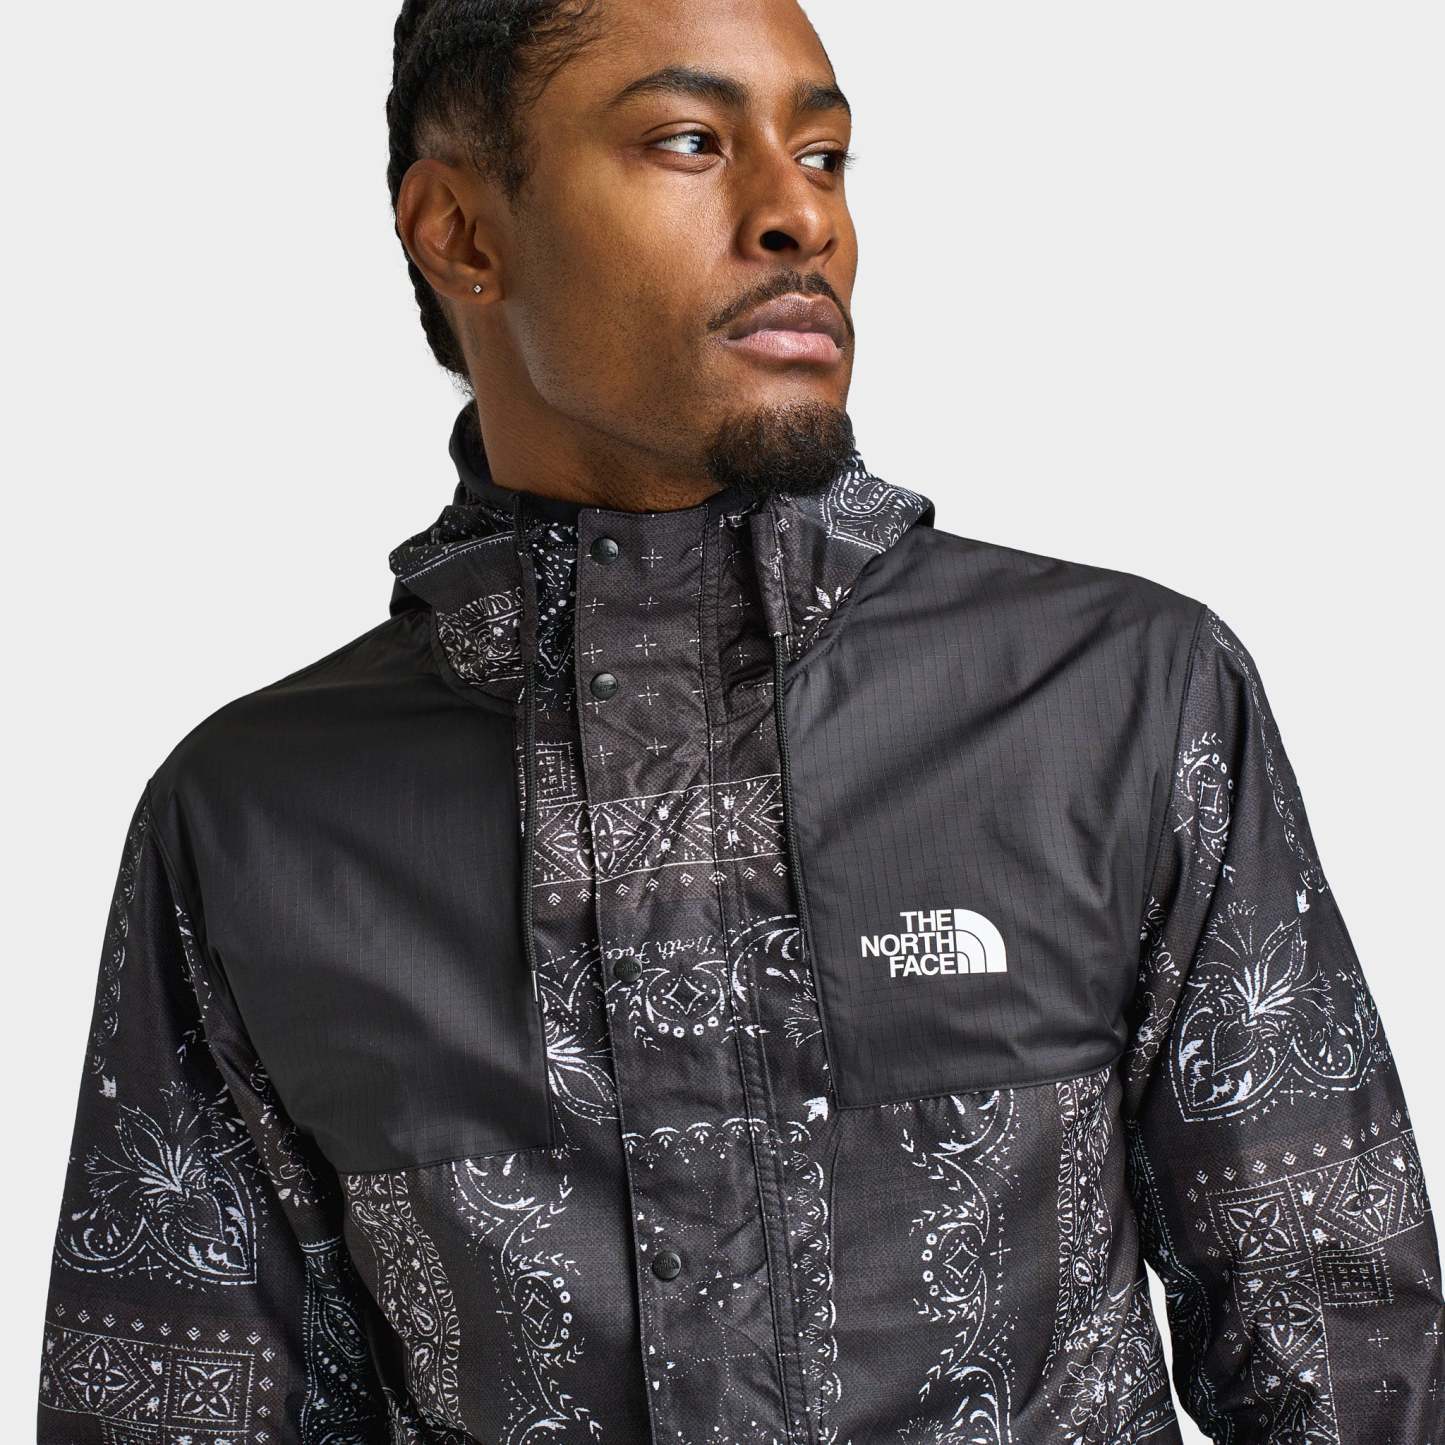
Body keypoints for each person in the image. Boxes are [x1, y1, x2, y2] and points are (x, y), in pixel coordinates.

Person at [37, 0, 1443, 1440]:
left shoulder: (1113, 701)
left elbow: (1347, 1362)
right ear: (461, 232)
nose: (800, 215)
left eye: (823, 155)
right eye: (690, 141)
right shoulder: (259, 823)